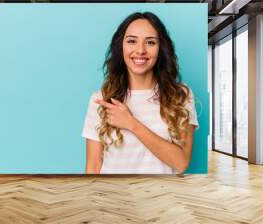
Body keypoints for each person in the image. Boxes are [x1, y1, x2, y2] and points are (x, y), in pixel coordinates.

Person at [82, 12, 199, 174]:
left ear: (160, 48)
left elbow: (181, 162)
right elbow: (93, 166)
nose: (140, 50)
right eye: (132, 41)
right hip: (111, 197)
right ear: (120, 46)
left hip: (161, 197)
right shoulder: (101, 99)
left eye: (150, 42)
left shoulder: (180, 96)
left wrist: (132, 124)